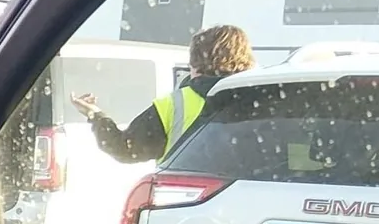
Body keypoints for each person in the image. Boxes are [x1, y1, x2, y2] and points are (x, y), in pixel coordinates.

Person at [70, 24, 254, 163]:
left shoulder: (175, 105)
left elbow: (124, 148)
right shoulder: (261, 98)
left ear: (196, 63)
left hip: (185, 195)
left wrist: (94, 114)